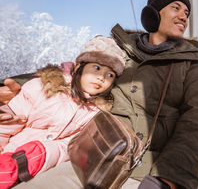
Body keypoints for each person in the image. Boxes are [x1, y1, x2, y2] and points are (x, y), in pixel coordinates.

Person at [0, 0, 198, 189]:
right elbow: (75, 73)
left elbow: (197, 122)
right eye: (176, 8)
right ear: (152, 14)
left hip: (150, 168)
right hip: (95, 154)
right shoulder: (119, 48)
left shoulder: (193, 64)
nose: (184, 17)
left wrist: (168, 177)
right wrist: (16, 84)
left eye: (187, 12)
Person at [0, 36, 126, 189]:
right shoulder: (43, 87)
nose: (101, 77)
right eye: (97, 68)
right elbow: (8, 124)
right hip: (7, 157)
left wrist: (43, 153)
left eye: (110, 75)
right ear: (80, 66)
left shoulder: (96, 113)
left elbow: (72, 146)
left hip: (41, 169)